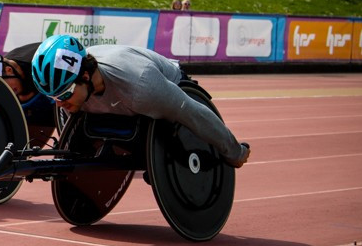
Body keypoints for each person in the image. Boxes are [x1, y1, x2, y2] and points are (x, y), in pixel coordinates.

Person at [31, 35, 250, 168]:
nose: (59, 103)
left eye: (63, 95)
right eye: (52, 98)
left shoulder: (142, 88)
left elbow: (194, 114)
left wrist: (234, 151)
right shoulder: (73, 91)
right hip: (121, 97)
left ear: (85, 77)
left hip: (167, 84)